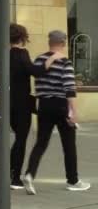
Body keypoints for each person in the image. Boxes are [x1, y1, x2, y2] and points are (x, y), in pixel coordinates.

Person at [23, 30, 91, 194]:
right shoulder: (64, 62)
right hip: (60, 105)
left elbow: (38, 82)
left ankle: (30, 174)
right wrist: (73, 112)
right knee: (69, 145)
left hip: (44, 105)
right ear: (63, 43)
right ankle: (73, 181)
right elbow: (69, 88)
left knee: (41, 143)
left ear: (49, 42)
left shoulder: (40, 60)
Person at [9, 23, 63, 189]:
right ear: (22, 38)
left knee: (18, 138)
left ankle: (12, 172)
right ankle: (15, 177)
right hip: (22, 104)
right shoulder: (21, 53)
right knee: (21, 139)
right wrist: (52, 59)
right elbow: (35, 71)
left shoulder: (6, 54)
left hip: (8, 102)